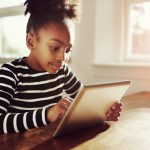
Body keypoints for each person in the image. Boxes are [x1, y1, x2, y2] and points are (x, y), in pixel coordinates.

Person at [0, 0, 121, 134]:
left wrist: (103, 110)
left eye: (68, 49)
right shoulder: (10, 74)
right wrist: (47, 115)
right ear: (31, 42)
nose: (63, 58)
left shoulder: (61, 71)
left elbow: (84, 101)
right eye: (54, 47)